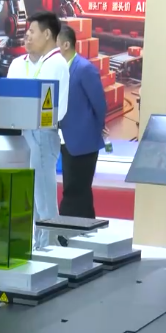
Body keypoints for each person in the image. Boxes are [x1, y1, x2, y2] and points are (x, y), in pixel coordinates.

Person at [5, 11, 69, 248]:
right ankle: (34, 245)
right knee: (27, 196)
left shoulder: (56, 63)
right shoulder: (18, 63)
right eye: (26, 32)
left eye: (32, 32)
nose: (27, 36)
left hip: (42, 133)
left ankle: (49, 246)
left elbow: (56, 107)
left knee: (43, 197)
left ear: (47, 34)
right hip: (20, 134)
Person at [56, 25, 106, 219]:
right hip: (65, 140)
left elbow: (99, 104)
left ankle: (65, 228)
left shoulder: (84, 69)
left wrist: (94, 129)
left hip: (84, 141)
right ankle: (85, 226)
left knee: (76, 189)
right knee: (77, 189)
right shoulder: (58, 70)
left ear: (66, 45)